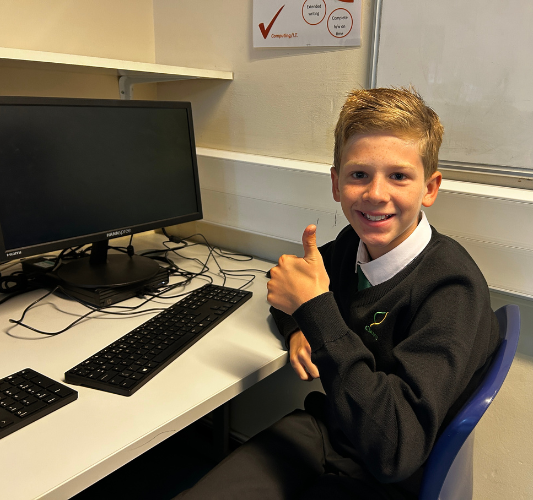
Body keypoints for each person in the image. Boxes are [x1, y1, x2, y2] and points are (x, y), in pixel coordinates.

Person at [177, 88, 501, 499]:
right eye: (359, 174)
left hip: (383, 472)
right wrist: (299, 327)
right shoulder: (353, 245)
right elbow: (294, 286)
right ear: (336, 183)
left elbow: (395, 450)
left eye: (399, 176)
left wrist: (315, 313)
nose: (375, 194)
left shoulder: (451, 290)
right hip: (331, 431)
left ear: (430, 188)